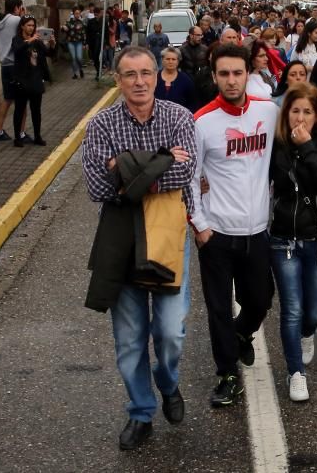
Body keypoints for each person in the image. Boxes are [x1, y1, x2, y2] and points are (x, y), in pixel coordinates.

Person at [82, 46, 196, 451]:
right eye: (130, 75)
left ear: (156, 74)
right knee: (130, 339)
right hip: (121, 239)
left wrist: (125, 167)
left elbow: (186, 172)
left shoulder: (179, 117)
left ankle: (167, 383)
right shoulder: (101, 125)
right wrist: (161, 160)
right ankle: (141, 411)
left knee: (169, 331)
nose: (140, 81)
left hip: (167, 235)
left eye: (146, 73)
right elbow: (97, 187)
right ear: (118, 79)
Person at [189, 43, 278, 407]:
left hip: (257, 231)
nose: (231, 80)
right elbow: (190, 178)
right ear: (214, 76)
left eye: (237, 73)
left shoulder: (268, 112)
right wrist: (200, 225)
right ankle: (227, 374)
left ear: (247, 75)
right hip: (218, 234)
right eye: (223, 73)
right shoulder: (202, 121)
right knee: (218, 309)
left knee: (261, 299)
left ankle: (242, 334)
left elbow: (306, 122)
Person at [269, 84, 317, 402]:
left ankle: (308, 335)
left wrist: (309, 146)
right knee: (292, 309)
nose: (300, 117)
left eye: (307, 111)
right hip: (283, 238)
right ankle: (295, 372)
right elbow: (275, 181)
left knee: (313, 312)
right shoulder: (278, 144)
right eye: (295, 110)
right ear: (286, 114)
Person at [10, 16, 54, 147]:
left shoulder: (37, 41)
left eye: (33, 26)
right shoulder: (17, 39)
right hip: (21, 81)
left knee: (36, 111)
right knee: (19, 110)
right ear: (22, 26)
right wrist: (29, 41)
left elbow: (48, 54)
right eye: (28, 25)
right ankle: (17, 138)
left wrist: (52, 44)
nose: (31, 28)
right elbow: (17, 51)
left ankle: (37, 136)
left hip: (35, 80)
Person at [0, 0, 25, 142]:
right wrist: (24, 15)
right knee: (22, 100)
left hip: (4, 65)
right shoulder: (15, 20)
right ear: (16, 7)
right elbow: (28, 26)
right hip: (15, 64)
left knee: (7, 99)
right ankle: (21, 134)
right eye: (20, 7)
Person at [155, 47, 198, 113]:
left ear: (178, 61)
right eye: (167, 59)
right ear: (162, 60)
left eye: (173, 59)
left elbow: (193, 103)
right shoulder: (154, 78)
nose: (170, 62)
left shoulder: (186, 80)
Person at [63, 6, 87, 79]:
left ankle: (80, 69)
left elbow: (83, 34)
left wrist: (84, 43)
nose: (77, 15)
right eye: (76, 13)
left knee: (79, 58)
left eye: (78, 13)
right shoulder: (69, 22)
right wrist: (63, 27)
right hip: (71, 42)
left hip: (79, 42)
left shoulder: (81, 23)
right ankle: (75, 74)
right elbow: (64, 29)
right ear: (73, 14)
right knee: (73, 58)